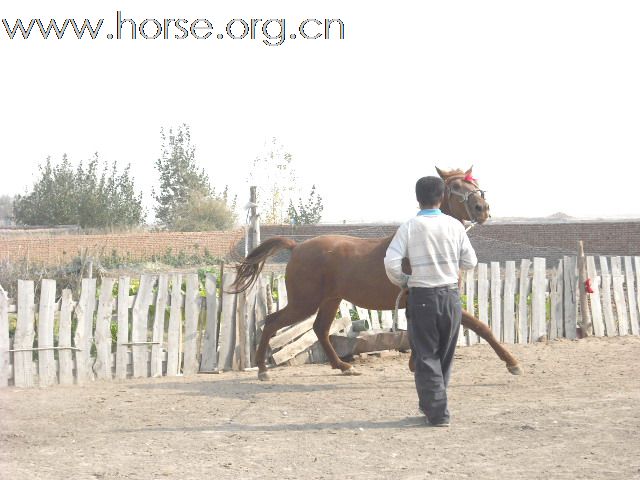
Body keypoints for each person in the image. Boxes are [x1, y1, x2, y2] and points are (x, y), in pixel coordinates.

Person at [384, 176, 477, 427]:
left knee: (426, 356)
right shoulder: (455, 227)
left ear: (417, 199)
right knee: (444, 355)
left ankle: (438, 414)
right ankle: (432, 407)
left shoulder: (410, 227)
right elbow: (471, 262)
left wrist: (404, 280)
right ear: (443, 197)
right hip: (450, 297)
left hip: (422, 297)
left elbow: (390, 262)